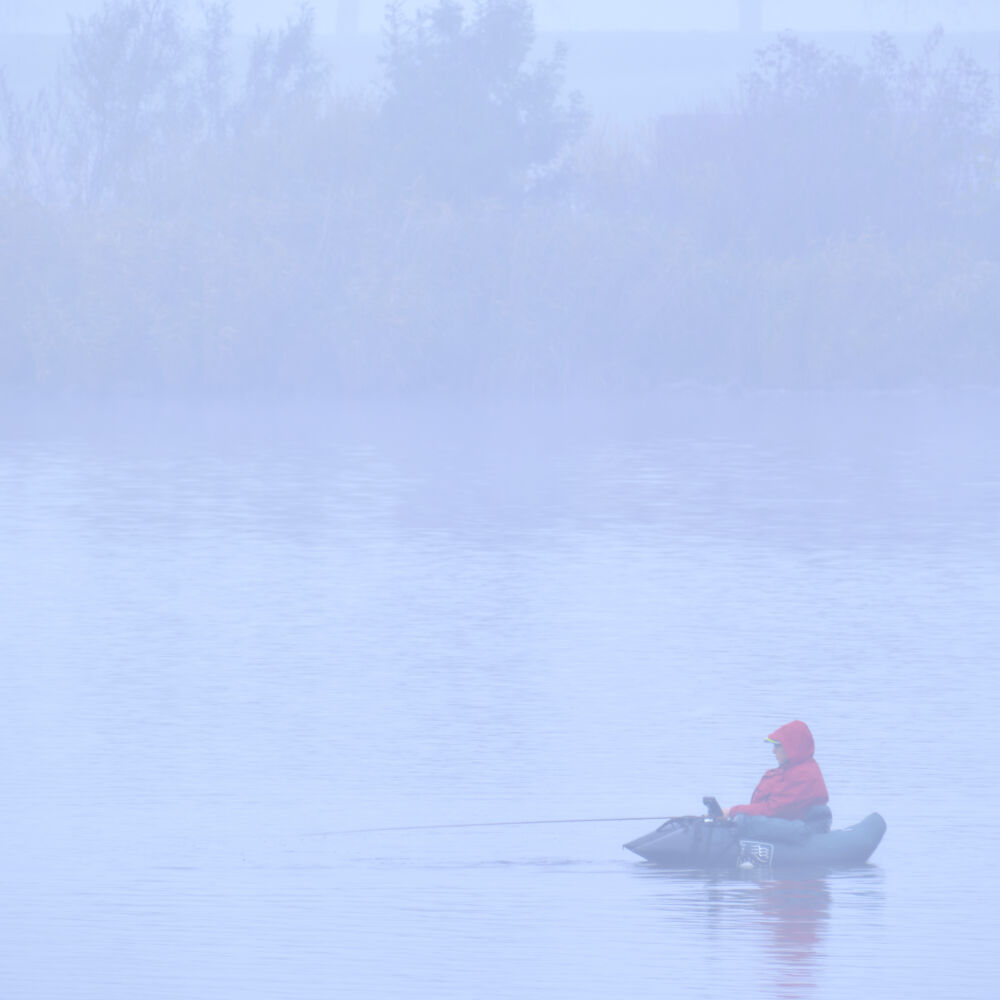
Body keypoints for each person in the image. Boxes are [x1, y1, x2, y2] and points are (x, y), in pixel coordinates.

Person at [722, 720, 830, 827]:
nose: (773, 752)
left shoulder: (802, 775)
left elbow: (772, 810)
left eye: (777, 746)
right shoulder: (791, 770)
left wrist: (733, 811)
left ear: (792, 748)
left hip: (796, 833)